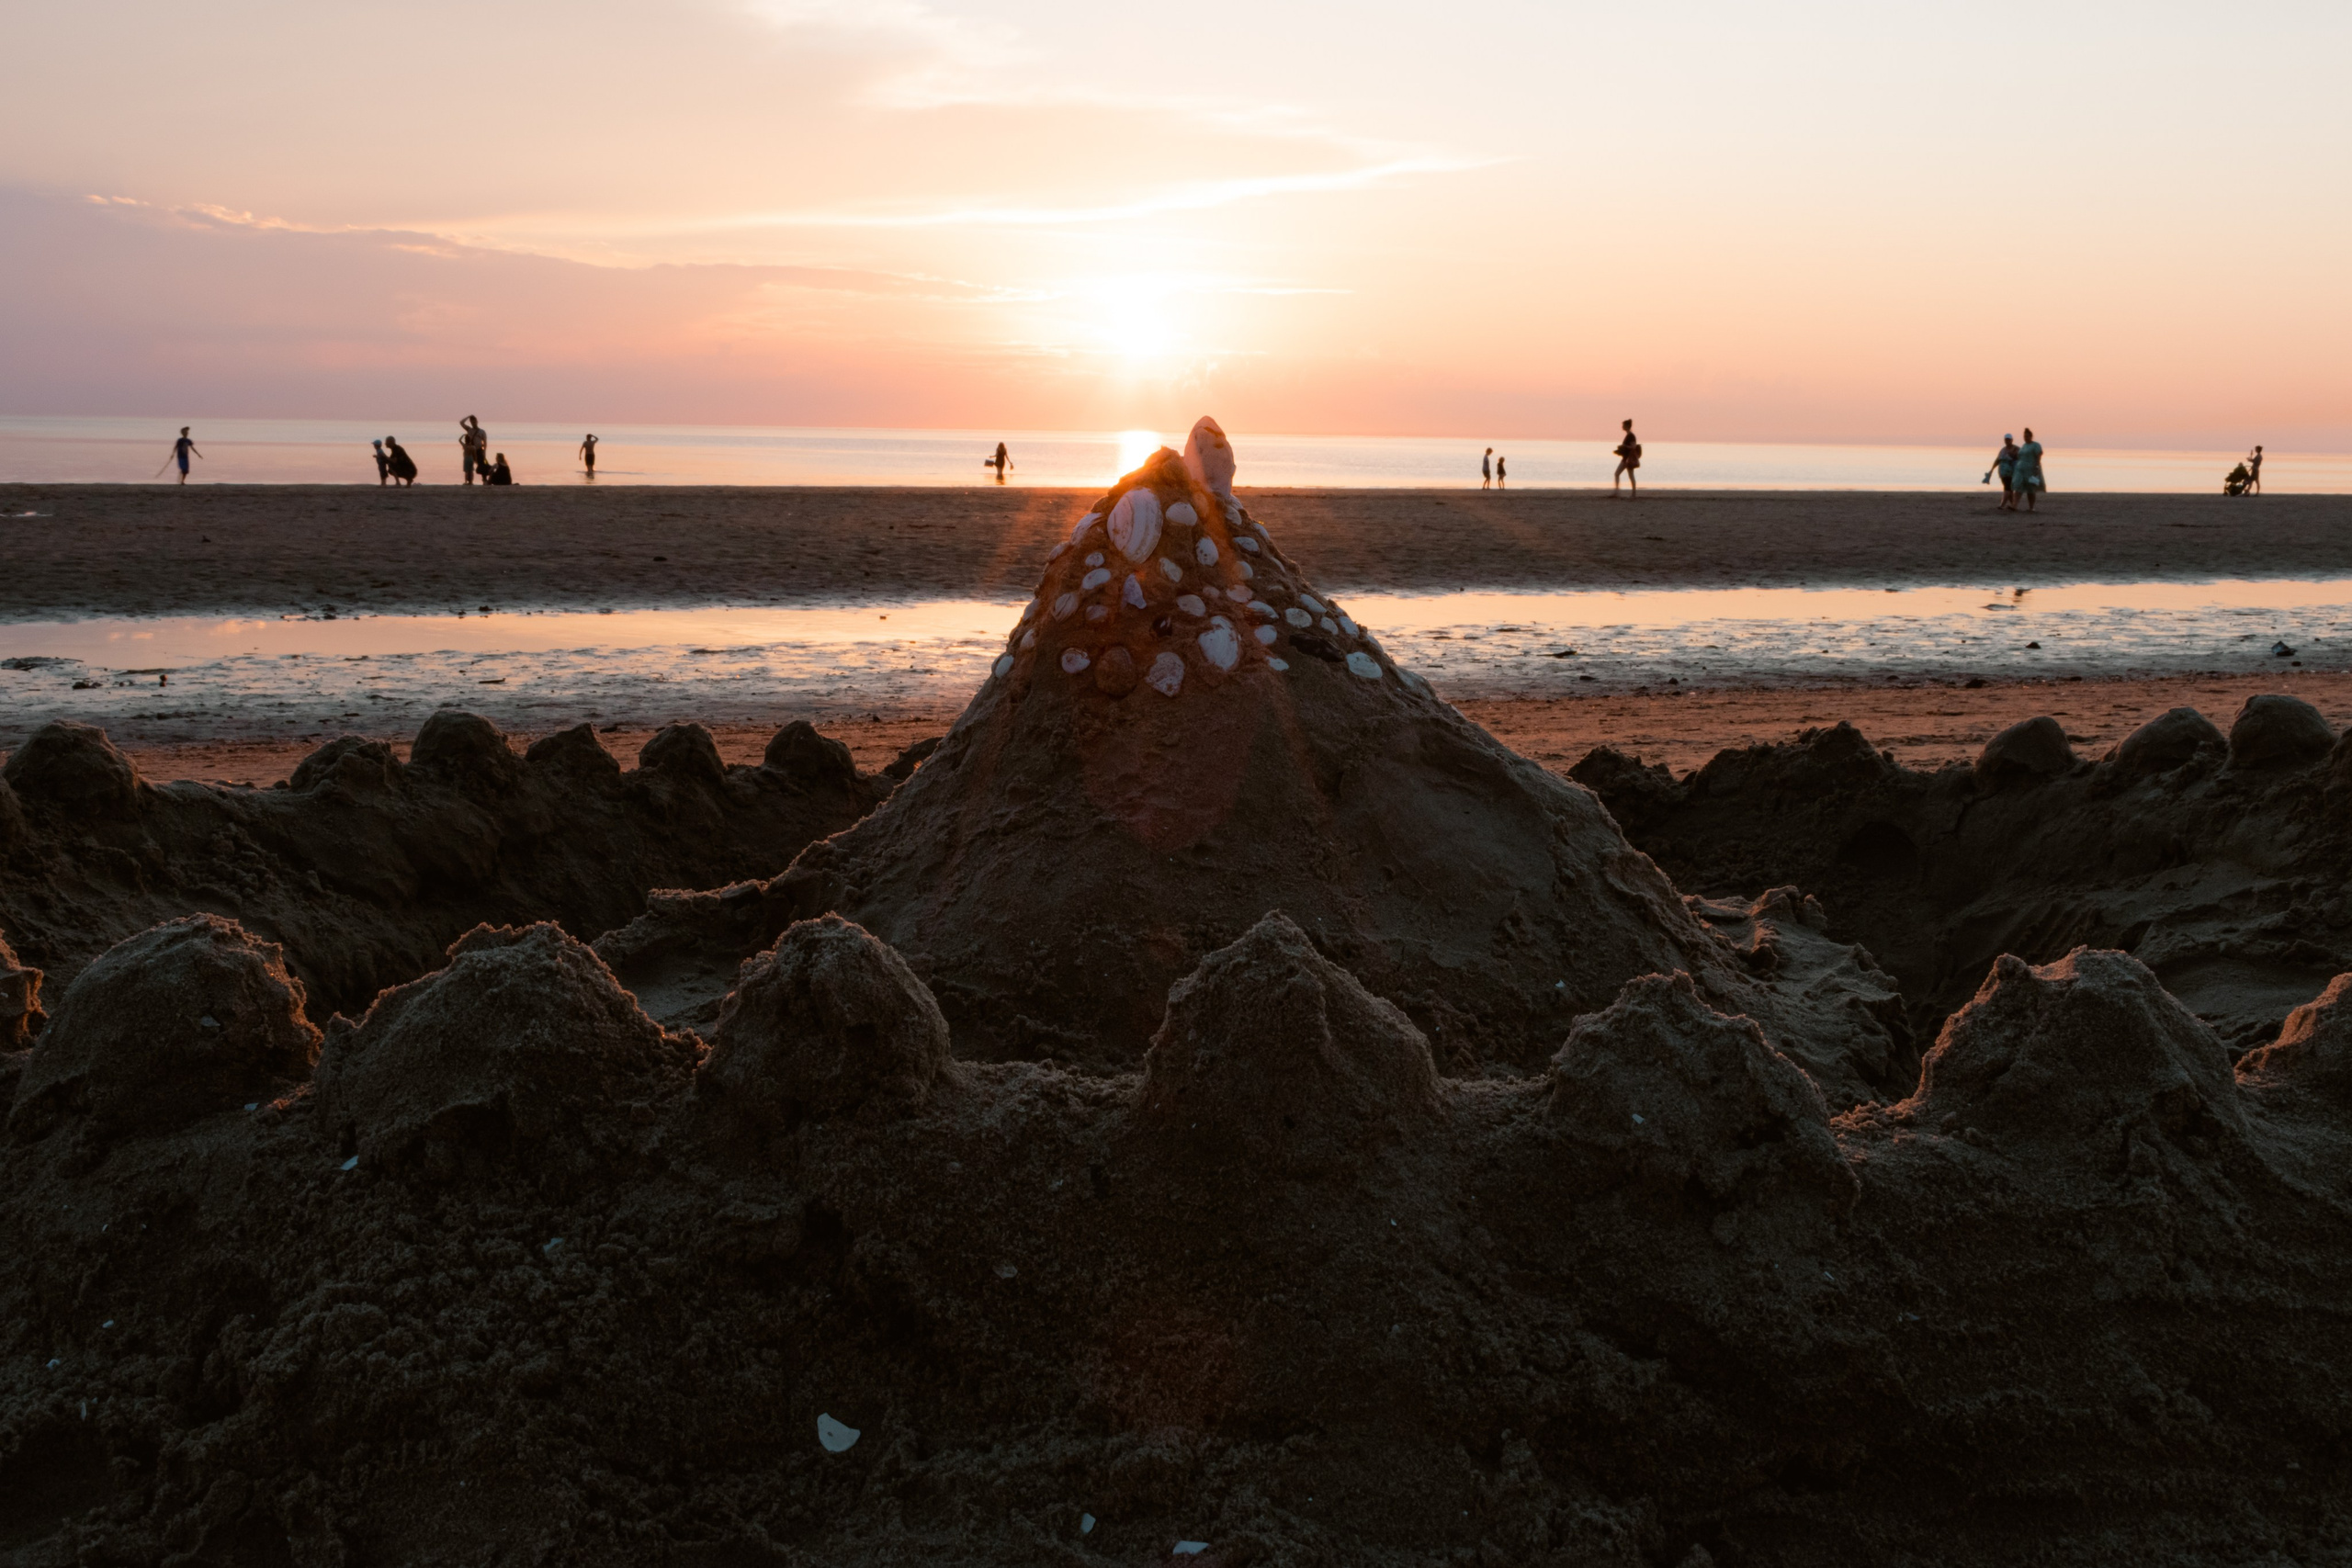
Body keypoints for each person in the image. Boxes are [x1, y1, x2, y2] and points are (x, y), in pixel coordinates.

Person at [2010, 428, 2046, 513]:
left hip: (2031, 469)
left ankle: (2031, 507)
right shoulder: (2024, 446)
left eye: (2027, 436)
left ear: (2031, 436)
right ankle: (2014, 505)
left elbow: (2039, 455)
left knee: (2031, 489)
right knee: (2018, 486)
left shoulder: (2035, 445)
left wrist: (2037, 466)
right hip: (2020, 469)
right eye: (2024, 436)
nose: (2025, 438)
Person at [1984, 434, 2019, 507]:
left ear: (2012, 440)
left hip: (2012, 472)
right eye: (2006, 440)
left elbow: (2021, 459)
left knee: (2007, 488)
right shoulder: (2003, 450)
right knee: (2009, 489)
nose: (2007, 441)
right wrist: (1992, 470)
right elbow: (1997, 460)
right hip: (2003, 473)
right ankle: (2014, 505)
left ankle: (2002, 505)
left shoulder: (2016, 449)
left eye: (2009, 440)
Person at [1611, 420, 1640, 498]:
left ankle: (1633, 493)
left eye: (1623, 425)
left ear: (1627, 426)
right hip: (1625, 458)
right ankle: (1617, 492)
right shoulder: (1628, 435)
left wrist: (1625, 447)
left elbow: (1633, 447)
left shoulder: (1631, 436)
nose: (1622, 427)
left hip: (1629, 459)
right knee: (1617, 474)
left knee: (1630, 476)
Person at [459, 415, 487, 484]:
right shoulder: (469, 429)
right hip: (471, 451)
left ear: (477, 422)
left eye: (474, 422)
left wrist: (484, 452)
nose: (473, 423)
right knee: (469, 466)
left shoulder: (482, 431)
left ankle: (484, 480)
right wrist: (468, 417)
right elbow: (461, 422)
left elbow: (485, 442)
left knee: (482, 465)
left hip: (479, 450)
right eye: (472, 422)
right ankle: (469, 481)